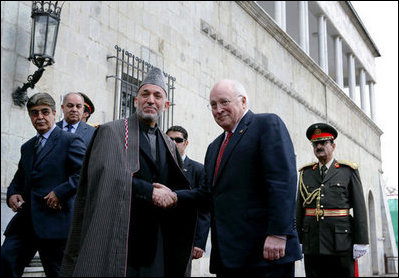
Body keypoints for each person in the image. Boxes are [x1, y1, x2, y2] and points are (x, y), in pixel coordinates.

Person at [60, 67, 197, 277]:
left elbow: (178, 188)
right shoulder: (111, 132)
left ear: (165, 105)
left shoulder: (170, 145)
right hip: (118, 237)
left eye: (157, 95)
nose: (150, 100)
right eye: (145, 94)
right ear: (135, 101)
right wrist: (148, 191)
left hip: (156, 244)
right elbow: (105, 179)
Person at [200, 79, 302, 276]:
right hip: (229, 257)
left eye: (224, 102)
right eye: (213, 105)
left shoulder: (266, 124)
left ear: (243, 101)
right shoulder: (214, 147)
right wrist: (174, 196)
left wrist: (278, 233)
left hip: (266, 254)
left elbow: (282, 181)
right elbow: (207, 194)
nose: (218, 109)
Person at [1, 93, 86, 277]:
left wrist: (60, 192)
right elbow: (19, 178)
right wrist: (12, 194)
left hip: (54, 222)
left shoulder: (70, 141)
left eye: (44, 112)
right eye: (34, 113)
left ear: (55, 113)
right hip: (25, 222)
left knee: (57, 273)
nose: (39, 117)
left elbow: (82, 174)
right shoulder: (27, 147)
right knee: (6, 261)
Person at [296, 122, 369, 277]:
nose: (319, 147)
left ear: (333, 146)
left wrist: (361, 240)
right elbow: (299, 208)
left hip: (341, 241)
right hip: (312, 242)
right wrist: (297, 238)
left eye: (323, 142)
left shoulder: (347, 171)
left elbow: (360, 207)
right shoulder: (306, 173)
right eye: (315, 144)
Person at [166, 125, 210, 276]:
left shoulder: (198, 170)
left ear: (186, 143)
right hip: (159, 236)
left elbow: (204, 207)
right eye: (169, 139)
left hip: (185, 238)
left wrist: (199, 242)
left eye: (178, 140)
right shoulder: (158, 166)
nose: (173, 143)